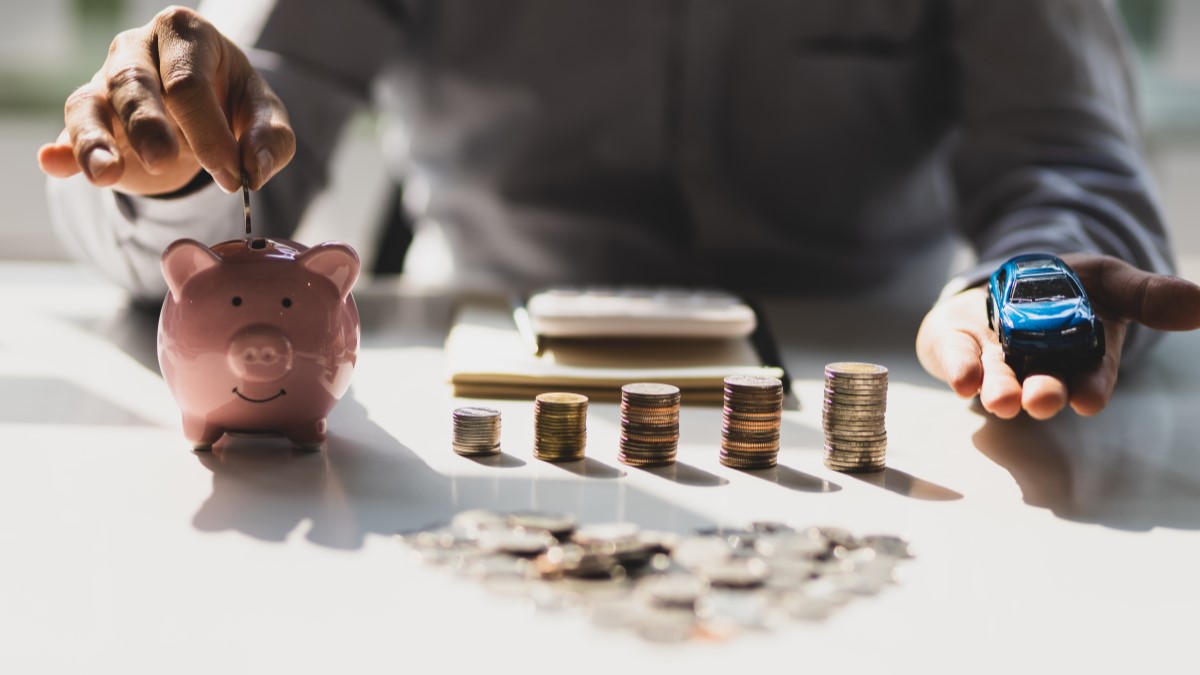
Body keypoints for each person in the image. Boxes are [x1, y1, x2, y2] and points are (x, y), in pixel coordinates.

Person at [37, 0, 1200, 422]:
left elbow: (1068, 157)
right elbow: (225, 147)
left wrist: (1038, 283)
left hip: (901, 388)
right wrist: (173, 169)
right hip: (484, 385)